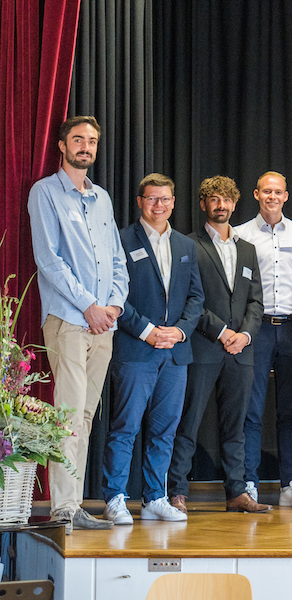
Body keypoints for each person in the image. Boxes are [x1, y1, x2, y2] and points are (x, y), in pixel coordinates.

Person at [28, 116, 128, 532]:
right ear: (62, 145)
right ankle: (63, 510)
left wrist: (114, 306)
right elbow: (49, 260)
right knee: (68, 415)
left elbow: (118, 259)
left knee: (85, 417)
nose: (86, 147)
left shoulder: (102, 198)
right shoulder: (45, 193)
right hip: (69, 320)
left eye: (92, 141)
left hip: (104, 325)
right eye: (78, 140)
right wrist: (89, 306)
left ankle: (73, 505)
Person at [103, 173, 204, 524]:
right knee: (125, 427)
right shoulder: (121, 240)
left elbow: (196, 297)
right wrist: (147, 331)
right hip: (135, 350)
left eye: (164, 199)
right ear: (140, 201)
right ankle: (115, 498)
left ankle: (154, 498)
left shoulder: (186, 246)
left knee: (165, 430)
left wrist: (180, 331)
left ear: (173, 203)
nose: (158, 205)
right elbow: (116, 295)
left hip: (175, 353)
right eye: (151, 199)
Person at [167, 176, 270, 514]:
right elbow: (187, 298)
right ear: (203, 204)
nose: (221, 205)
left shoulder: (247, 249)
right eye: (214, 199)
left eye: (226, 199)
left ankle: (236, 492)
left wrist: (245, 335)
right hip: (203, 347)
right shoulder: (188, 245)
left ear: (235, 204)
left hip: (241, 352)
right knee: (188, 422)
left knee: (236, 426)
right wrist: (222, 332)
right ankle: (177, 492)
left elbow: (256, 301)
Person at [234, 172, 292, 508]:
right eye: (266, 191)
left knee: (290, 412)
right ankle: (249, 484)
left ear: (286, 196)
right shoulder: (240, 234)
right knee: (251, 411)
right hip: (258, 328)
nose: (272, 197)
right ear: (256, 195)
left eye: (277, 192)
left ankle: (289, 485)